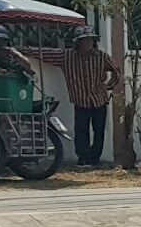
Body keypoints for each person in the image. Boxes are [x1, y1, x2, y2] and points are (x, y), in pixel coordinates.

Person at [40, 28, 122, 167]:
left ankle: (94, 157)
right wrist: (19, 51)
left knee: (99, 130)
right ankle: (83, 158)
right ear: (78, 42)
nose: (87, 43)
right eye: (84, 40)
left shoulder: (101, 56)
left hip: (99, 100)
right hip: (80, 100)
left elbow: (117, 70)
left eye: (90, 40)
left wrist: (108, 86)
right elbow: (46, 53)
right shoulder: (67, 56)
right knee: (81, 131)